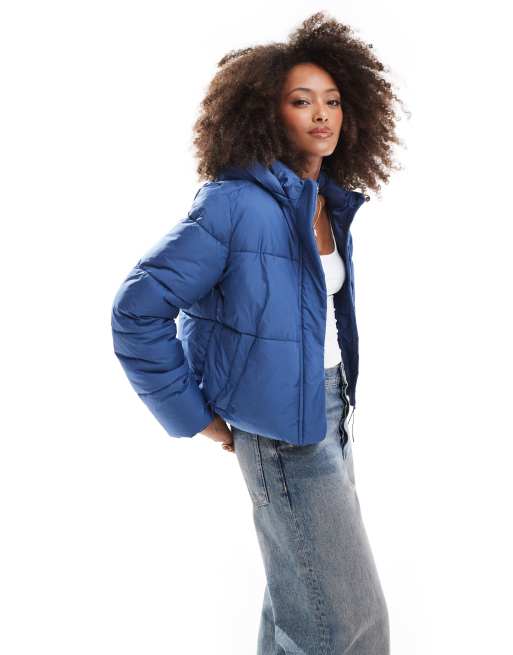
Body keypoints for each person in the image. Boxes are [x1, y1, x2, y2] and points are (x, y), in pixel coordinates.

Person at [111, 11, 406, 654]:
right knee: (349, 626)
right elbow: (136, 311)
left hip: (330, 413)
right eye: (301, 101)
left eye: (332, 100)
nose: (321, 114)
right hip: (280, 436)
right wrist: (200, 419)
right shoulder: (233, 203)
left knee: (300, 611)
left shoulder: (323, 199)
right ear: (267, 113)